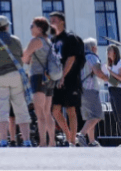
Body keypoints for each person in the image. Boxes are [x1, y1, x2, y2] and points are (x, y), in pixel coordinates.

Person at [48, 11, 85, 145]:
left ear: (62, 21)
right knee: (55, 111)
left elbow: (72, 58)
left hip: (70, 79)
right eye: (50, 19)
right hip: (56, 80)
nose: (51, 22)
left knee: (71, 109)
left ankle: (72, 142)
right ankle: (70, 136)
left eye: (54, 19)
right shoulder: (53, 40)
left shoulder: (70, 38)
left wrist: (63, 76)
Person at [22, 16, 56, 146]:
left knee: (39, 112)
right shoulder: (48, 41)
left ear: (39, 28)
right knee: (47, 113)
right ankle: (52, 141)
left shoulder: (35, 41)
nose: (30, 28)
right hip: (49, 78)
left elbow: (24, 59)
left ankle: (42, 142)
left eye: (32, 26)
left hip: (38, 77)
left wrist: (28, 54)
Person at [78, 38, 109, 146]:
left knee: (90, 116)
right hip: (90, 89)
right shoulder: (92, 57)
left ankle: (92, 141)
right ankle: (81, 134)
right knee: (97, 115)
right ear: (93, 48)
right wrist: (107, 78)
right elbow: (98, 72)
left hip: (80, 90)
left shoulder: (80, 58)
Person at [105, 44, 121, 136]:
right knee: (116, 117)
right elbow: (113, 81)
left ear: (115, 52)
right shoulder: (109, 65)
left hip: (119, 91)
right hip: (111, 90)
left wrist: (110, 72)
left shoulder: (120, 63)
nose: (107, 52)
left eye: (109, 50)